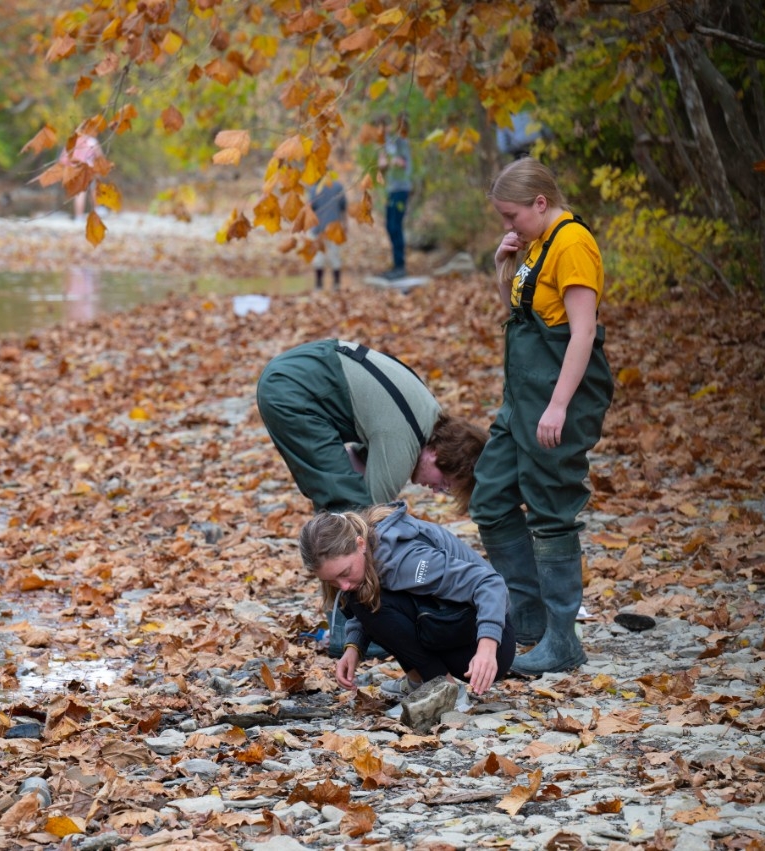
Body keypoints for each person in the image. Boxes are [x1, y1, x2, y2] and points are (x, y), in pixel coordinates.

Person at [469, 158, 614, 676]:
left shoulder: (573, 244)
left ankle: (562, 639)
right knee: (489, 495)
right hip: (521, 398)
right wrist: (503, 265)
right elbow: (524, 315)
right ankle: (526, 619)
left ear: (540, 202)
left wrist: (557, 405)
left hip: (558, 395)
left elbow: (582, 332)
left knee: (552, 507)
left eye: (512, 216)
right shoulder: (535, 244)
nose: (509, 225)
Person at [299, 503, 516, 699]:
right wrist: (354, 647)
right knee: (360, 598)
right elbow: (370, 602)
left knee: (366, 602)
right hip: (450, 631)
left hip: (489, 647)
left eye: (345, 572)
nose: (343, 585)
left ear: (360, 544)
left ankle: (445, 691)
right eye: (332, 580)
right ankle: (419, 682)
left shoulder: (406, 558)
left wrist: (487, 647)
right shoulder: (366, 557)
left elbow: (491, 583)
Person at [257, 339, 487, 515]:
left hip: (301, 370)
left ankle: (335, 566)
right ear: (438, 454)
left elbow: (355, 464)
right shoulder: (403, 442)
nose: (436, 490)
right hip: (291, 389)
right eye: (445, 483)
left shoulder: (430, 417)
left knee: (340, 489)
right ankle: (342, 575)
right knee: (350, 508)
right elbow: (371, 517)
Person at [375, 114, 413, 280]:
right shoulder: (385, 144)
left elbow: (403, 163)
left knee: (395, 225)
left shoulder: (400, 142)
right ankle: (397, 264)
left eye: (385, 125)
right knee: (389, 226)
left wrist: (389, 161)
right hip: (391, 190)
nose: (383, 129)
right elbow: (382, 168)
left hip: (401, 188)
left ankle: (400, 266)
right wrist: (381, 164)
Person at [307, 176, 347, 291]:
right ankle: (336, 284)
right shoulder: (338, 186)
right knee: (335, 256)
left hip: (318, 228)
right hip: (335, 227)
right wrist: (345, 225)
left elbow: (311, 209)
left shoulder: (314, 189)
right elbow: (343, 207)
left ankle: (319, 285)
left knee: (319, 257)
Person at [58, 131, 102, 220]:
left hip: (75, 171)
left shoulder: (71, 142)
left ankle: (79, 216)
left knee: (80, 194)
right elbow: (100, 156)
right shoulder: (92, 141)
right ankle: (98, 211)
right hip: (89, 170)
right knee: (94, 190)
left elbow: (62, 159)